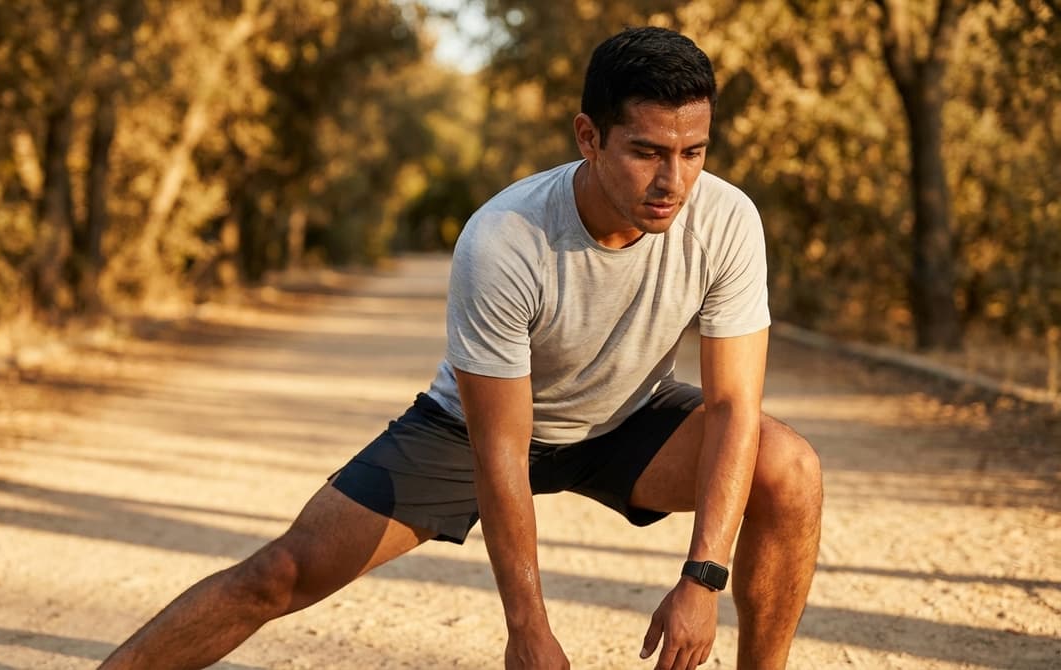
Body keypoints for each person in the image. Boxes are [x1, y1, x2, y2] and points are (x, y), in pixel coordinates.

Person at [99, 26, 822, 670]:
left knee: (786, 466)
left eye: (693, 152)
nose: (674, 181)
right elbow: (500, 451)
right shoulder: (505, 238)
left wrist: (702, 578)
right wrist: (527, 629)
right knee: (281, 573)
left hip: (626, 423)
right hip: (472, 430)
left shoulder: (727, 220)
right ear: (588, 136)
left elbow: (732, 406)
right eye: (647, 152)